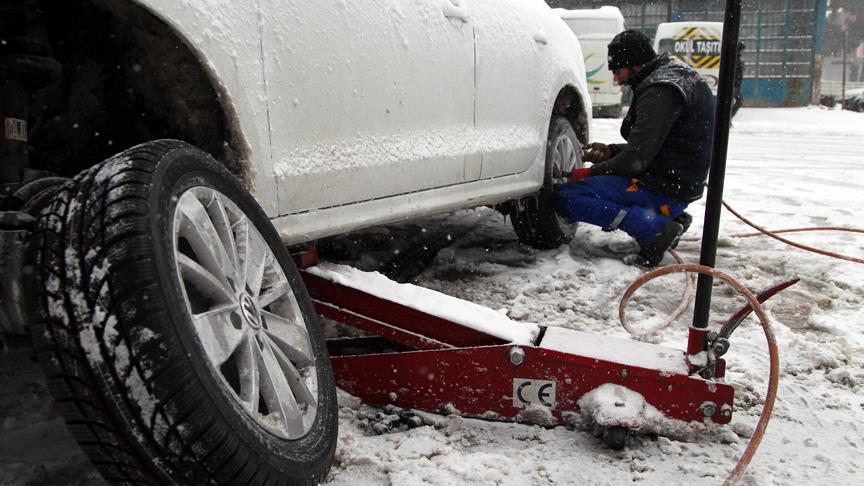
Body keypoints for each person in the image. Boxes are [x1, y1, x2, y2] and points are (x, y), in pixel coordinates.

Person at [552, 29, 715, 267]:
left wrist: (590, 172)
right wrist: (610, 151)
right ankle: (666, 216)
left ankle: (655, 229)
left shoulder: (659, 91)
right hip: (678, 183)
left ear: (636, 65)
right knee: (600, 187)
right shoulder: (673, 74)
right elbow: (658, 145)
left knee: (567, 196)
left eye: (618, 71)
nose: (616, 80)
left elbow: (637, 159)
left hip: (663, 187)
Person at [731, 42, 746, 118]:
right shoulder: (735, 59)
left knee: (738, 101)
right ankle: (728, 118)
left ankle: (728, 118)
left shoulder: (738, 59)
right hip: (734, 85)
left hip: (736, 85)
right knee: (738, 101)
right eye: (742, 50)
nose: (743, 52)